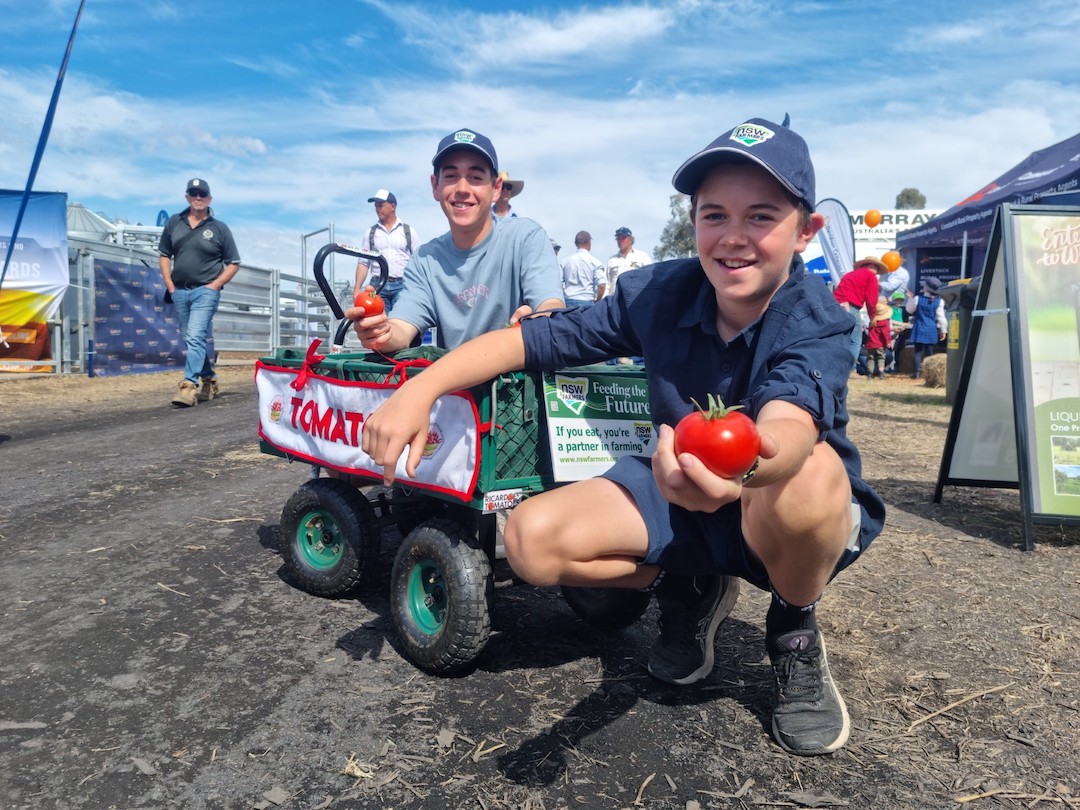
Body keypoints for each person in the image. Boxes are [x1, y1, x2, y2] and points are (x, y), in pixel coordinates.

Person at [360, 117, 885, 757]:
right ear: (693, 221)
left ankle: (794, 624)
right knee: (529, 540)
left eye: (762, 217)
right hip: (673, 480)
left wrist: (740, 471)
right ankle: (690, 585)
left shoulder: (820, 318)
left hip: (768, 503)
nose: (734, 238)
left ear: (806, 230)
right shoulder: (659, 292)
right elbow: (536, 341)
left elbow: (792, 424)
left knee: (811, 477)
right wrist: (420, 389)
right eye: (714, 215)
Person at [346, 128, 563, 351]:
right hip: (456, 385)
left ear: (496, 188)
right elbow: (402, 326)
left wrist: (541, 320)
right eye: (451, 176)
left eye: (476, 177)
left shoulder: (526, 237)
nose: (462, 189)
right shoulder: (425, 260)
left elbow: (551, 304)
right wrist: (381, 332)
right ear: (435, 186)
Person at [158, 178, 241, 408]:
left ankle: (188, 386)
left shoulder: (219, 228)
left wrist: (215, 285)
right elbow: (164, 254)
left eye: (202, 194)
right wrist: (170, 285)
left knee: (194, 335)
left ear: (209, 199)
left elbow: (234, 262)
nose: (198, 197)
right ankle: (209, 379)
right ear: (187, 196)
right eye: (193, 193)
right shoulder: (175, 222)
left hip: (205, 292)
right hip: (180, 291)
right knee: (190, 337)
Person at [354, 189, 418, 314]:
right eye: (376, 206)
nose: (378, 209)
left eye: (381, 205)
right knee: (378, 323)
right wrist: (357, 288)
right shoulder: (370, 233)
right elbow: (363, 262)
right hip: (378, 285)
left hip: (403, 285)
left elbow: (418, 261)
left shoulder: (408, 231)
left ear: (393, 206)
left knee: (401, 321)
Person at [833, 256, 886, 368]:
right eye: (877, 269)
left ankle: (834, 365)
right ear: (872, 266)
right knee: (855, 340)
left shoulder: (850, 274)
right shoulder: (871, 276)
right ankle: (849, 368)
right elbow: (871, 300)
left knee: (839, 338)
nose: (876, 273)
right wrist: (873, 317)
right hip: (851, 307)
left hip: (835, 306)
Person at [905, 277, 946, 379]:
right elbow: (941, 317)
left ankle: (916, 373)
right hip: (931, 327)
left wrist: (910, 298)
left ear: (926, 289)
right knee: (930, 352)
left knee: (918, 351)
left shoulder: (918, 298)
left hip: (919, 326)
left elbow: (909, 310)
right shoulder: (939, 301)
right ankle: (929, 374)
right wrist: (943, 330)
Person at [598, 227, 651, 299]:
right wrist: (604, 301)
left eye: (623, 238)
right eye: (618, 239)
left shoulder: (642, 257)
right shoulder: (611, 260)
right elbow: (607, 284)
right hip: (615, 300)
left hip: (636, 299)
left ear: (630, 240)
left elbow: (650, 278)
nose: (620, 241)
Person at [560, 230, 605, 307]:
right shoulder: (595, 262)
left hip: (568, 301)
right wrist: (598, 300)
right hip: (587, 302)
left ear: (576, 244)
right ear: (589, 243)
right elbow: (602, 285)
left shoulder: (564, 262)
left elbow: (559, 284)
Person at [865, 298, 893, 379]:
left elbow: (868, 331)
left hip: (871, 343)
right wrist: (888, 342)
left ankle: (870, 373)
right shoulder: (885, 323)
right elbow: (886, 333)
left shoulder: (872, 322)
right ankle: (881, 372)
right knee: (881, 358)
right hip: (880, 344)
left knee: (871, 358)